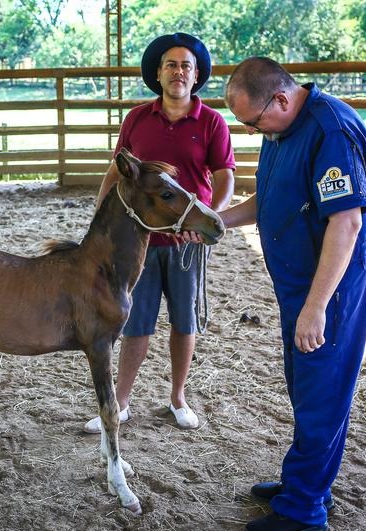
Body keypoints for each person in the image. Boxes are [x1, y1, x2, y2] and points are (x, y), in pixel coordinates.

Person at [218, 57, 366, 531]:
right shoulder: (279, 132)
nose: (251, 131)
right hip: (297, 285)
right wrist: (213, 222)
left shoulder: (330, 130)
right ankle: (304, 482)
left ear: (281, 99)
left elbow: (346, 223)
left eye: (252, 121)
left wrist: (317, 307)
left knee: (321, 393)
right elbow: (267, 202)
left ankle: (305, 508)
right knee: (305, 387)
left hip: (330, 288)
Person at [82, 33, 235, 433]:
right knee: (137, 322)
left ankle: (177, 398)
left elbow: (225, 178)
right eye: (171, 64)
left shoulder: (212, 122)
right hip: (140, 239)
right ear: (158, 73)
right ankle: (121, 401)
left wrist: (207, 221)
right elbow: (118, 171)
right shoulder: (136, 119)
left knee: (184, 322)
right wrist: (100, 215)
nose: (179, 71)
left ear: (196, 75)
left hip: (187, 241)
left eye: (186, 65)